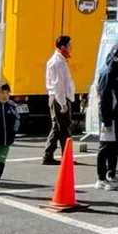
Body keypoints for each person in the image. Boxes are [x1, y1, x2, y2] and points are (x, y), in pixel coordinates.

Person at [93, 45, 118, 190]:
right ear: (116, 57)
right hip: (109, 115)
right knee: (105, 146)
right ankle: (100, 178)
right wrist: (106, 120)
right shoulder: (107, 72)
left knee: (116, 146)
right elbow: (104, 98)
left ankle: (111, 174)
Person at [42, 34, 75, 165]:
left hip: (59, 97)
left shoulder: (60, 61)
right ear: (62, 47)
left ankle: (49, 155)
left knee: (58, 127)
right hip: (59, 98)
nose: (71, 47)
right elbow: (58, 85)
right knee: (63, 128)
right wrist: (63, 104)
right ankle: (64, 157)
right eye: (69, 45)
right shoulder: (58, 62)